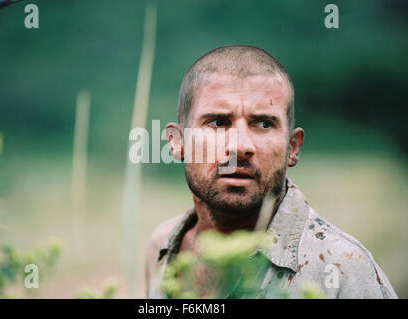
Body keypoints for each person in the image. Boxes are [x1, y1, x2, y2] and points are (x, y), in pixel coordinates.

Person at [145, 45, 397, 299]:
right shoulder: (164, 247)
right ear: (177, 142)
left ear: (292, 147)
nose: (240, 146)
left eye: (264, 124)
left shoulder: (342, 269)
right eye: (218, 122)